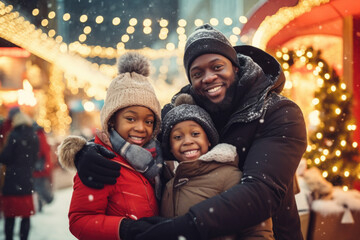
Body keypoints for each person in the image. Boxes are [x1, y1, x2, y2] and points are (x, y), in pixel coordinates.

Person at [62, 24, 307, 239]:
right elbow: (138, 136)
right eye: (197, 72)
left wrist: (183, 227)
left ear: (236, 67)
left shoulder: (279, 112)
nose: (208, 77)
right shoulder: (184, 109)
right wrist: (87, 152)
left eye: (217, 66)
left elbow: (261, 193)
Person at [57, 52, 164, 240]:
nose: (141, 128)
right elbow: (80, 221)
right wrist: (124, 229)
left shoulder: (154, 158)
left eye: (148, 121)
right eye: (130, 118)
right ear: (112, 119)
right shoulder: (99, 161)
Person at [159, 93, 274, 239]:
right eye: (177, 137)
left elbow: (257, 232)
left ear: (208, 140)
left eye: (195, 134)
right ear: (170, 147)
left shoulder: (229, 175)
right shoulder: (168, 182)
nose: (187, 141)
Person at [0, 111, 39, 240]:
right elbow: (34, 158)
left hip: (12, 181)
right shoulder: (34, 136)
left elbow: (5, 157)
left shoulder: (14, 135)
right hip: (27, 181)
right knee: (25, 216)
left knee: (10, 217)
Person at [32, 122, 54, 212]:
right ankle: (41, 203)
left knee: (39, 186)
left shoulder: (38, 136)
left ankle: (48, 199)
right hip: (43, 166)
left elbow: (41, 152)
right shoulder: (42, 135)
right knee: (39, 185)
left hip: (40, 167)